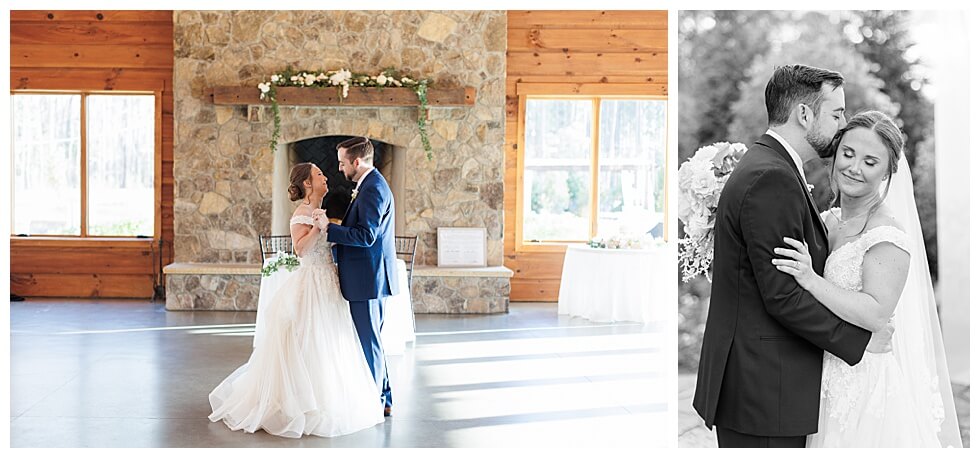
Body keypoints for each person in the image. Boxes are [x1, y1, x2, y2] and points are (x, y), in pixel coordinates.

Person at [693, 64, 893, 448]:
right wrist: (859, 340)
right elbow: (783, 295)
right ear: (804, 114)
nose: (843, 123)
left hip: (763, 386)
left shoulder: (772, 166)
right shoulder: (772, 177)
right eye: (836, 113)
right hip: (764, 389)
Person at [772, 111, 961, 447]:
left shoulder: (887, 235)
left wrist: (811, 279)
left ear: (888, 172)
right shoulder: (827, 221)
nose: (854, 167)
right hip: (820, 377)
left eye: (870, 162)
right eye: (848, 154)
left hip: (863, 385)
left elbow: (876, 312)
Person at [208, 162, 384, 438]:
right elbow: (300, 250)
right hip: (311, 282)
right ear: (307, 184)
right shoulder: (302, 214)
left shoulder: (322, 212)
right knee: (308, 338)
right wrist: (318, 228)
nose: (326, 177)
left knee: (330, 340)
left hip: (329, 282)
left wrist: (328, 228)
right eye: (319, 175)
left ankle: (328, 396)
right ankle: (301, 403)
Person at [323, 136, 399, 417]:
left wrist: (330, 229)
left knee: (369, 342)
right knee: (373, 341)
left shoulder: (372, 189)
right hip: (369, 276)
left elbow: (366, 236)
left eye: (343, 163)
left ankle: (375, 402)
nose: (341, 169)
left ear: (356, 162)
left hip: (368, 278)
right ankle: (386, 398)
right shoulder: (369, 184)